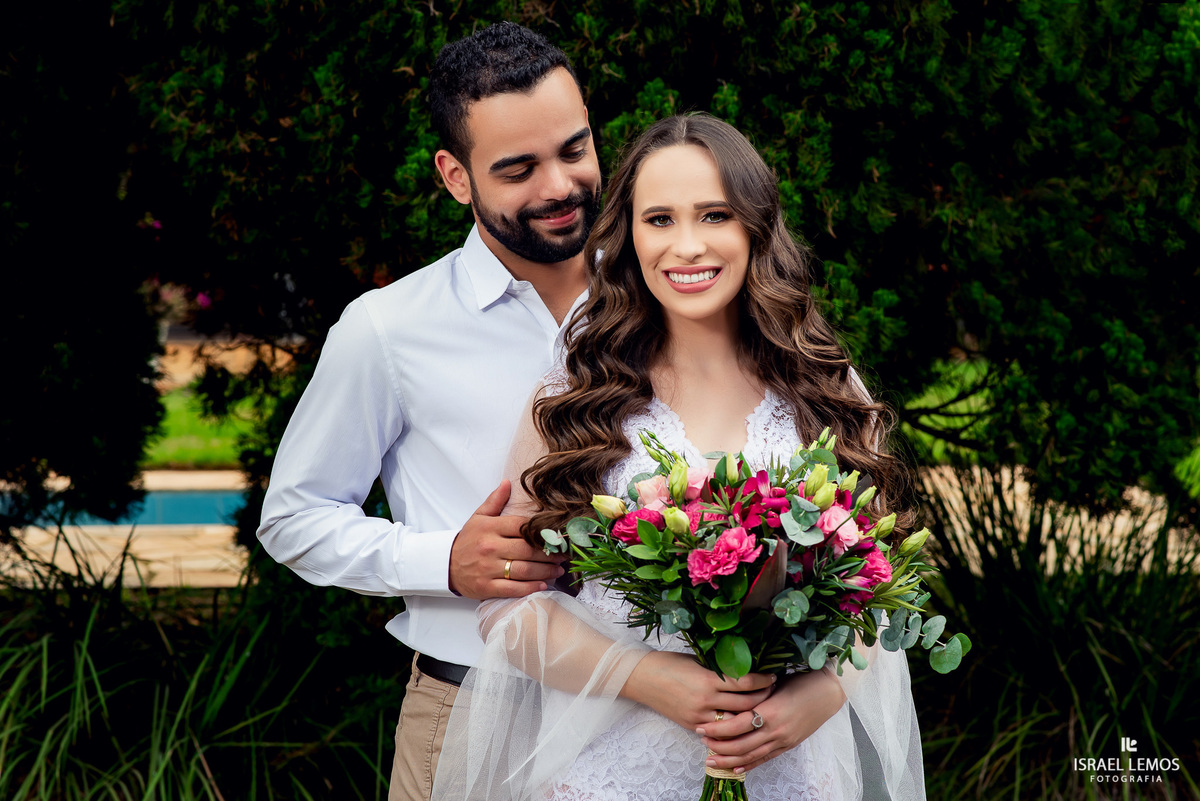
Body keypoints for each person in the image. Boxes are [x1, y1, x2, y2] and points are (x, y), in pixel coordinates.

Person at [432, 114, 925, 800]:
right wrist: (647, 676)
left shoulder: (827, 389)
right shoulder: (579, 395)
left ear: (756, 226)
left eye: (714, 214)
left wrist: (823, 692)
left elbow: (874, 584)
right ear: (629, 236)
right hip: (614, 770)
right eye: (659, 219)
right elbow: (509, 609)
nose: (686, 246)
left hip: (790, 769)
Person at [256, 22, 603, 801]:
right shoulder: (388, 329)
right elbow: (292, 517)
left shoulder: (662, 299)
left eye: (574, 150)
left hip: (650, 719)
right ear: (455, 176)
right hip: (472, 714)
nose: (557, 185)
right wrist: (442, 560)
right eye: (517, 168)